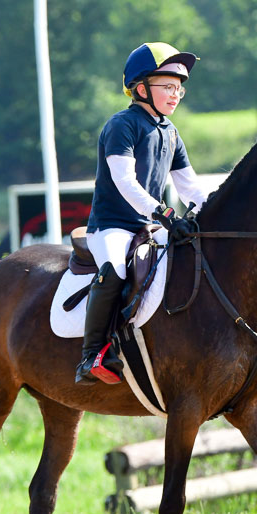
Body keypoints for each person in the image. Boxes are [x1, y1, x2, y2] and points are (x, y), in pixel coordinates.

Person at [75, 42, 208, 385]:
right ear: (140, 88)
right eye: (167, 86)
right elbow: (125, 182)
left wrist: (214, 210)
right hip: (112, 226)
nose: (176, 94)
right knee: (117, 269)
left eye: (179, 88)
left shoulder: (170, 132)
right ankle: (91, 355)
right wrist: (164, 212)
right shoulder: (122, 125)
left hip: (150, 226)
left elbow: (190, 188)